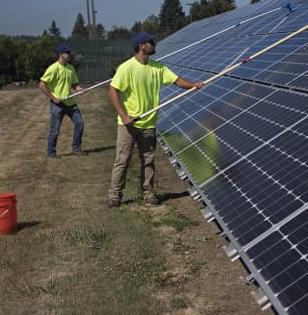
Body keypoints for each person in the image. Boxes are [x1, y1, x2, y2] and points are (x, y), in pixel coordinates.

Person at [107, 31, 204, 208]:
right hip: (128, 124)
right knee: (122, 161)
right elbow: (112, 90)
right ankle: (114, 196)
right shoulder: (126, 68)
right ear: (142, 45)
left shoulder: (157, 67)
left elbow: (176, 80)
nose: (155, 44)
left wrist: (193, 85)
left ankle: (149, 194)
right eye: (151, 42)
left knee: (148, 161)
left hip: (148, 124)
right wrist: (123, 114)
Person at [38, 44, 85, 158]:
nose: (69, 55)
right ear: (60, 55)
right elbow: (42, 85)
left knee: (79, 124)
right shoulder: (53, 68)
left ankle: (76, 148)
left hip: (70, 103)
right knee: (55, 129)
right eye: (67, 53)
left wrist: (79, 89)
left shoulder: (70, 68)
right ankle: (51, 153)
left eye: (69, 53)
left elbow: (74, 84)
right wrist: (53, 98)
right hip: (57, 104)